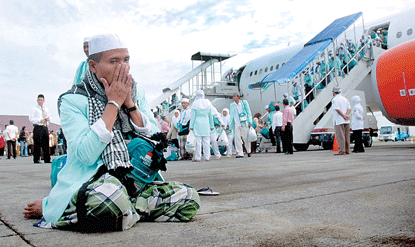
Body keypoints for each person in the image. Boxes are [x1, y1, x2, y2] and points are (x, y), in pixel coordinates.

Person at [23, 33, 199, 230]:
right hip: (94, 180)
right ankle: (61, 206)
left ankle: (125, 209)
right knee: (107, 196)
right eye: (113, 61)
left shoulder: (135, 91)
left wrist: (130, 104)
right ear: (93, 66)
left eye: (126, 60)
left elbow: (155, 137)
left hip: (135, 180)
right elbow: (86, 154)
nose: (122, 67)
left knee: (189, 198)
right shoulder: (72, 100)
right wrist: (113, 104)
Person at [189, 90, 214, 162]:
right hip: (206, 123)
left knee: (198, 142)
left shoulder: (195, 103)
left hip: (197, 123)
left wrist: (191, 127)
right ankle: (207, 157)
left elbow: (193, 117)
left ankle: (198, 157)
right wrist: (211, 126)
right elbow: (210, 116)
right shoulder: (207, 103)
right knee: (206, 142)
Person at [229, 92, 253, 158]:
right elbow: (231, 115)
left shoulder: (244, 103)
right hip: (236, 124)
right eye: (233, 96)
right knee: (237, 139)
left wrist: (250, 121)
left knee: (246, 138)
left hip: (244, 123)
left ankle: (248, 150)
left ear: (238, 97)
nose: (233, 98)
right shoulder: (232, 105)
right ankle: (240, 153)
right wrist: (230, 124)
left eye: (234, 96)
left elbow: (248, 112)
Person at [29, 94, 51, 164]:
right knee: (37, 144)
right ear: (37, 100)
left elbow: (49, 117)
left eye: (41, 100)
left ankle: (47, 159)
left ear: (44, 101)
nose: (40, 101)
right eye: (39, 100)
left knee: (46, 143)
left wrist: (48, 119)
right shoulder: (34, 109)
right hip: (38, 127)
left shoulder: (46, 109)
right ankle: (36, 159)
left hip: (45, 127)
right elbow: (31, 118)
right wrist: (39, 120)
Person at [332, 86, 351, 155]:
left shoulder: (335, 100)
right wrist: (346, 115)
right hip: (346, 120)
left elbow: (337, 109)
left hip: (339, 120)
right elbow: (349, 108)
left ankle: (342, 150)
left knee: (340, 136)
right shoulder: (345, 99)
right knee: (347, 136)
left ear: (334, 92)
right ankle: (347, 150)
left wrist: (343, 116)